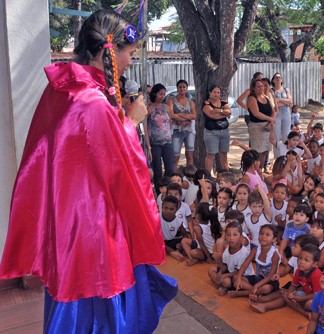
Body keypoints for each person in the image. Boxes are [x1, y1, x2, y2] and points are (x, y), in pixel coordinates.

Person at [0, 10, 176, 332]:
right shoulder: (90, 102)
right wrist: (133, 122)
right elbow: (116, 165)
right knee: (97, 312)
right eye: (130, 53)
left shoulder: (64, 90)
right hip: (94, 230)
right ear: (109, 51)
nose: (131, 61)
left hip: (72, 224)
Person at [146, 83, 175, 184]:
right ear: (155, 94)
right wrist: (148, 146)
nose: (162, 96)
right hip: (155, 144)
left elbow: (171, 120)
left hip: (167, 142)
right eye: (160, 94)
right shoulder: (149, 109)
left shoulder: (167, 107)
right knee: (157, 170)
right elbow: (145, 127)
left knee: (170, 168)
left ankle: (168, 188)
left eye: (164, 94)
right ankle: (159, 192)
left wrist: (166, 132)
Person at [202, 84, 232, 174]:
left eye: (218, 92)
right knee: (211, 154)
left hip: (224, 131)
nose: (216, 94)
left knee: (224, 153)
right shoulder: (206, 103)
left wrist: (219, 111)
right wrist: (223, 112)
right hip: (211, 132)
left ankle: (225, 174)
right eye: (214, 92)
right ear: (210, 93)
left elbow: (229, 112)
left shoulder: (223, 102)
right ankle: (208, 175)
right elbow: (212, 115)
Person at [246, 78, 275, 169]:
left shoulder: (266, 97)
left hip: (268, 126)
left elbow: (273, 110)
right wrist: (269, 118)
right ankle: (255, 170)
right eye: (258, 86)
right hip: (257, 127)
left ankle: (260, 170)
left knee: (265, 150)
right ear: (253, 88)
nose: (261, 88)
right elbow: (256, 113)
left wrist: (271, 120)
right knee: (258, 152)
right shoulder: (252, 98)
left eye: (262, 86)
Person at [168, 79, 197, 166]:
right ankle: (174, 175)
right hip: (176, 130)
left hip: (189, 131)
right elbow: (172, 115)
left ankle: (189, 174)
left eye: (184, 87)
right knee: (175, 155)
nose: (182, 89)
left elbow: (194, 116)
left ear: (187, 88)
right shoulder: (171, 100)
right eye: (180, 87)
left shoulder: (190, 102)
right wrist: (187, 117)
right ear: (177, 88)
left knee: (190, 154)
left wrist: (179, 115)